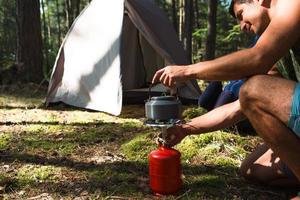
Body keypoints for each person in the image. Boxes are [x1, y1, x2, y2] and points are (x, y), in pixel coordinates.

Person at [152, 0, 300, 187]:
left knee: (253, 89)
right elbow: (240, 107)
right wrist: (185, 128)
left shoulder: (292, 3)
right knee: (252, 170)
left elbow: (258, 58)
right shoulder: (279, 52)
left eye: (241, 15)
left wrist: (188, 70)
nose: (242, 26)